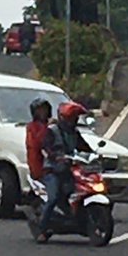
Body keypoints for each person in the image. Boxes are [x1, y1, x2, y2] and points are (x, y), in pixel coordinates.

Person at [37, 100, 90, 243]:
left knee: (79, 192)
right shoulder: (52, 131)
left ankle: (77, 220)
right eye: (72, 118)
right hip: (52, 171)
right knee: (53, 198)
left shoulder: (74, 133)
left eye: (75, 118)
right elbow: (46, 147)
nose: (74, 121)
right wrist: (57, 157)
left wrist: (95, 154)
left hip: (69, 171)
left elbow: (84, 147)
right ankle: (42, 230)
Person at [25, 97, 52, 184]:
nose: (43, 112)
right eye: (40, 110)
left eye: (45, 109)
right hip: (39, 166)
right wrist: (47, 127)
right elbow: (36, 143)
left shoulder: (53, 126)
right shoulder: (31, 127)